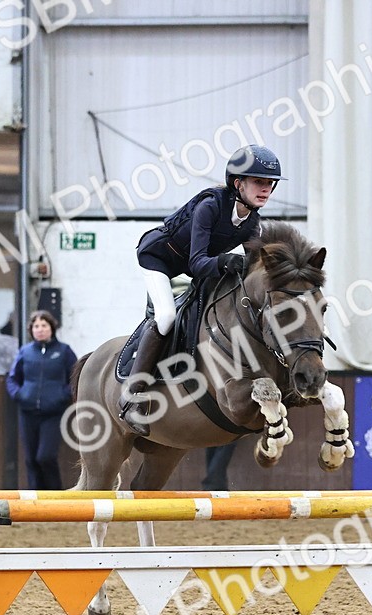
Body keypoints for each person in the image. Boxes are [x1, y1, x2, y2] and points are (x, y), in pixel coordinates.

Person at [120, 143, 285, 436]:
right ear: (238, 183)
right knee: (167, 317)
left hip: (189, 265)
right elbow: (198, 263)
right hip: (159, 258)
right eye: (259, 182)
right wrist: (227, 261)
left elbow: (250, 268)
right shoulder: (210, 206)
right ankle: (132, 397)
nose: (266, 189)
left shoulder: (251, 222)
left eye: (270, 184)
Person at [6, 310, 77, 490]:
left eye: (44, 325)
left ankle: (55, 497)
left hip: (53, 413)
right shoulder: (25, 352)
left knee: (45, 456)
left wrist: (62, 396)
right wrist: (19, 394)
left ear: (51, 328)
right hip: (27, 411)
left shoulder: (64, 351)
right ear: (31, 330)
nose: (40, 329)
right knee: (30, 459)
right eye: (36, 326)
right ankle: (34, 498)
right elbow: (12, 378)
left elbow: (76, 378)